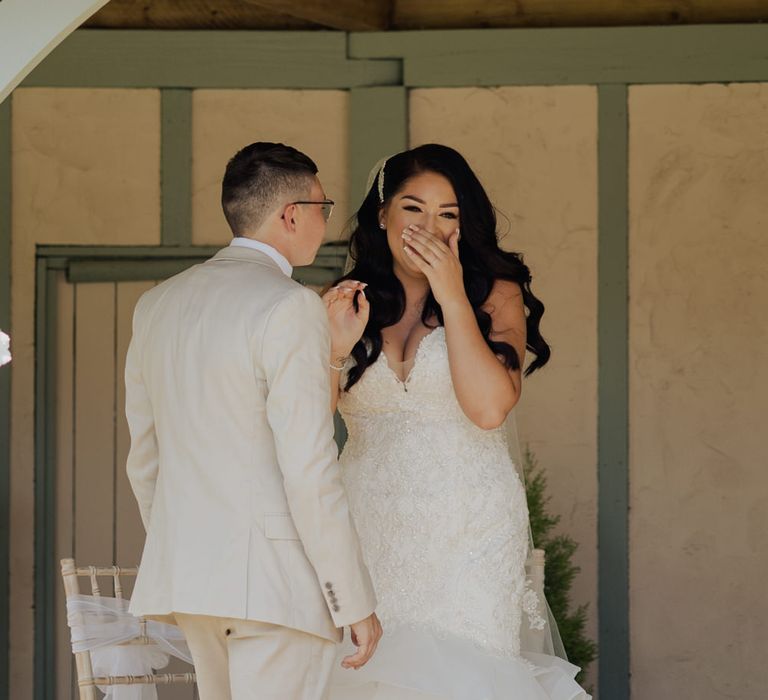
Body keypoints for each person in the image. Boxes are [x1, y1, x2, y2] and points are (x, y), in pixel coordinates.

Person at [323, 144, 590, 699]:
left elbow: (489, 409)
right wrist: (332, 351)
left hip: (467, 525)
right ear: (382, 215)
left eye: (449, 215)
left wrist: (450, 290)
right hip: (366, 519)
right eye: (414, 209)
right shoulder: (346, 301)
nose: (430, 227)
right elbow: (309, 421)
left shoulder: (496, 295)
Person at [125, 142, 382, 700]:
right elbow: (310, 468)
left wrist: (190, 548)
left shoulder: (156, 305)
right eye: (323, 206)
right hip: (275, 588)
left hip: (191, 581)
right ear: (291, 214)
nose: (326, 220)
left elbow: (143, 461)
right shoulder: (289, 305)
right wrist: (352, 599)